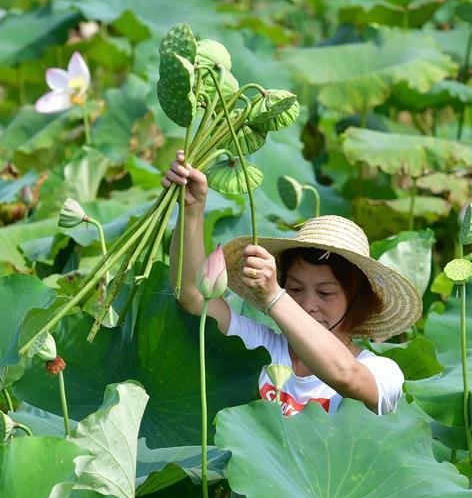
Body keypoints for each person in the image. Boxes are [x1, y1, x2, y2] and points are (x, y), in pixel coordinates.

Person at [165, 150, 422, 417]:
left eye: (325, 293)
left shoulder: (383, 373)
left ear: (357, 300)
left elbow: (346, 376)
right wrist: (192, 209)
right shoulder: (262, 349)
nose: (308, 305)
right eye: (296, 290)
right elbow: (195, 298)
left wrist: (274, 298)